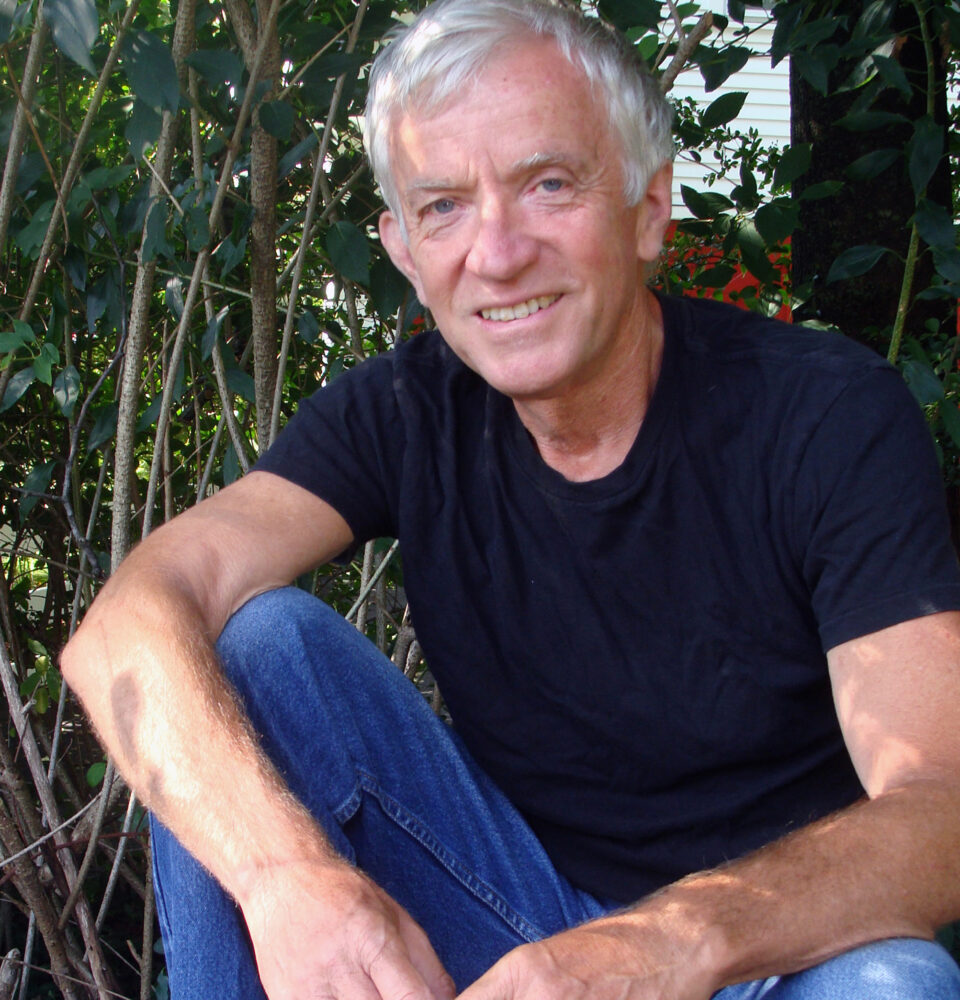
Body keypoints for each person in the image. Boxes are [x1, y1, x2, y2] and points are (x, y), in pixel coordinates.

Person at [61, 0, 960, 997]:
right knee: (244, 650)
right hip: (507, 925)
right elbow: (123, 632)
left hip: (770, 951)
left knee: (896, 983)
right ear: (404, 251)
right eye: (444, 205)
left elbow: (942, 810)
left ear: (648, 208)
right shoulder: (404, 412)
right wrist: (287, 877)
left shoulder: (824, 416)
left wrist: (665, 942)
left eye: (548, 184)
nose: (496, 252)